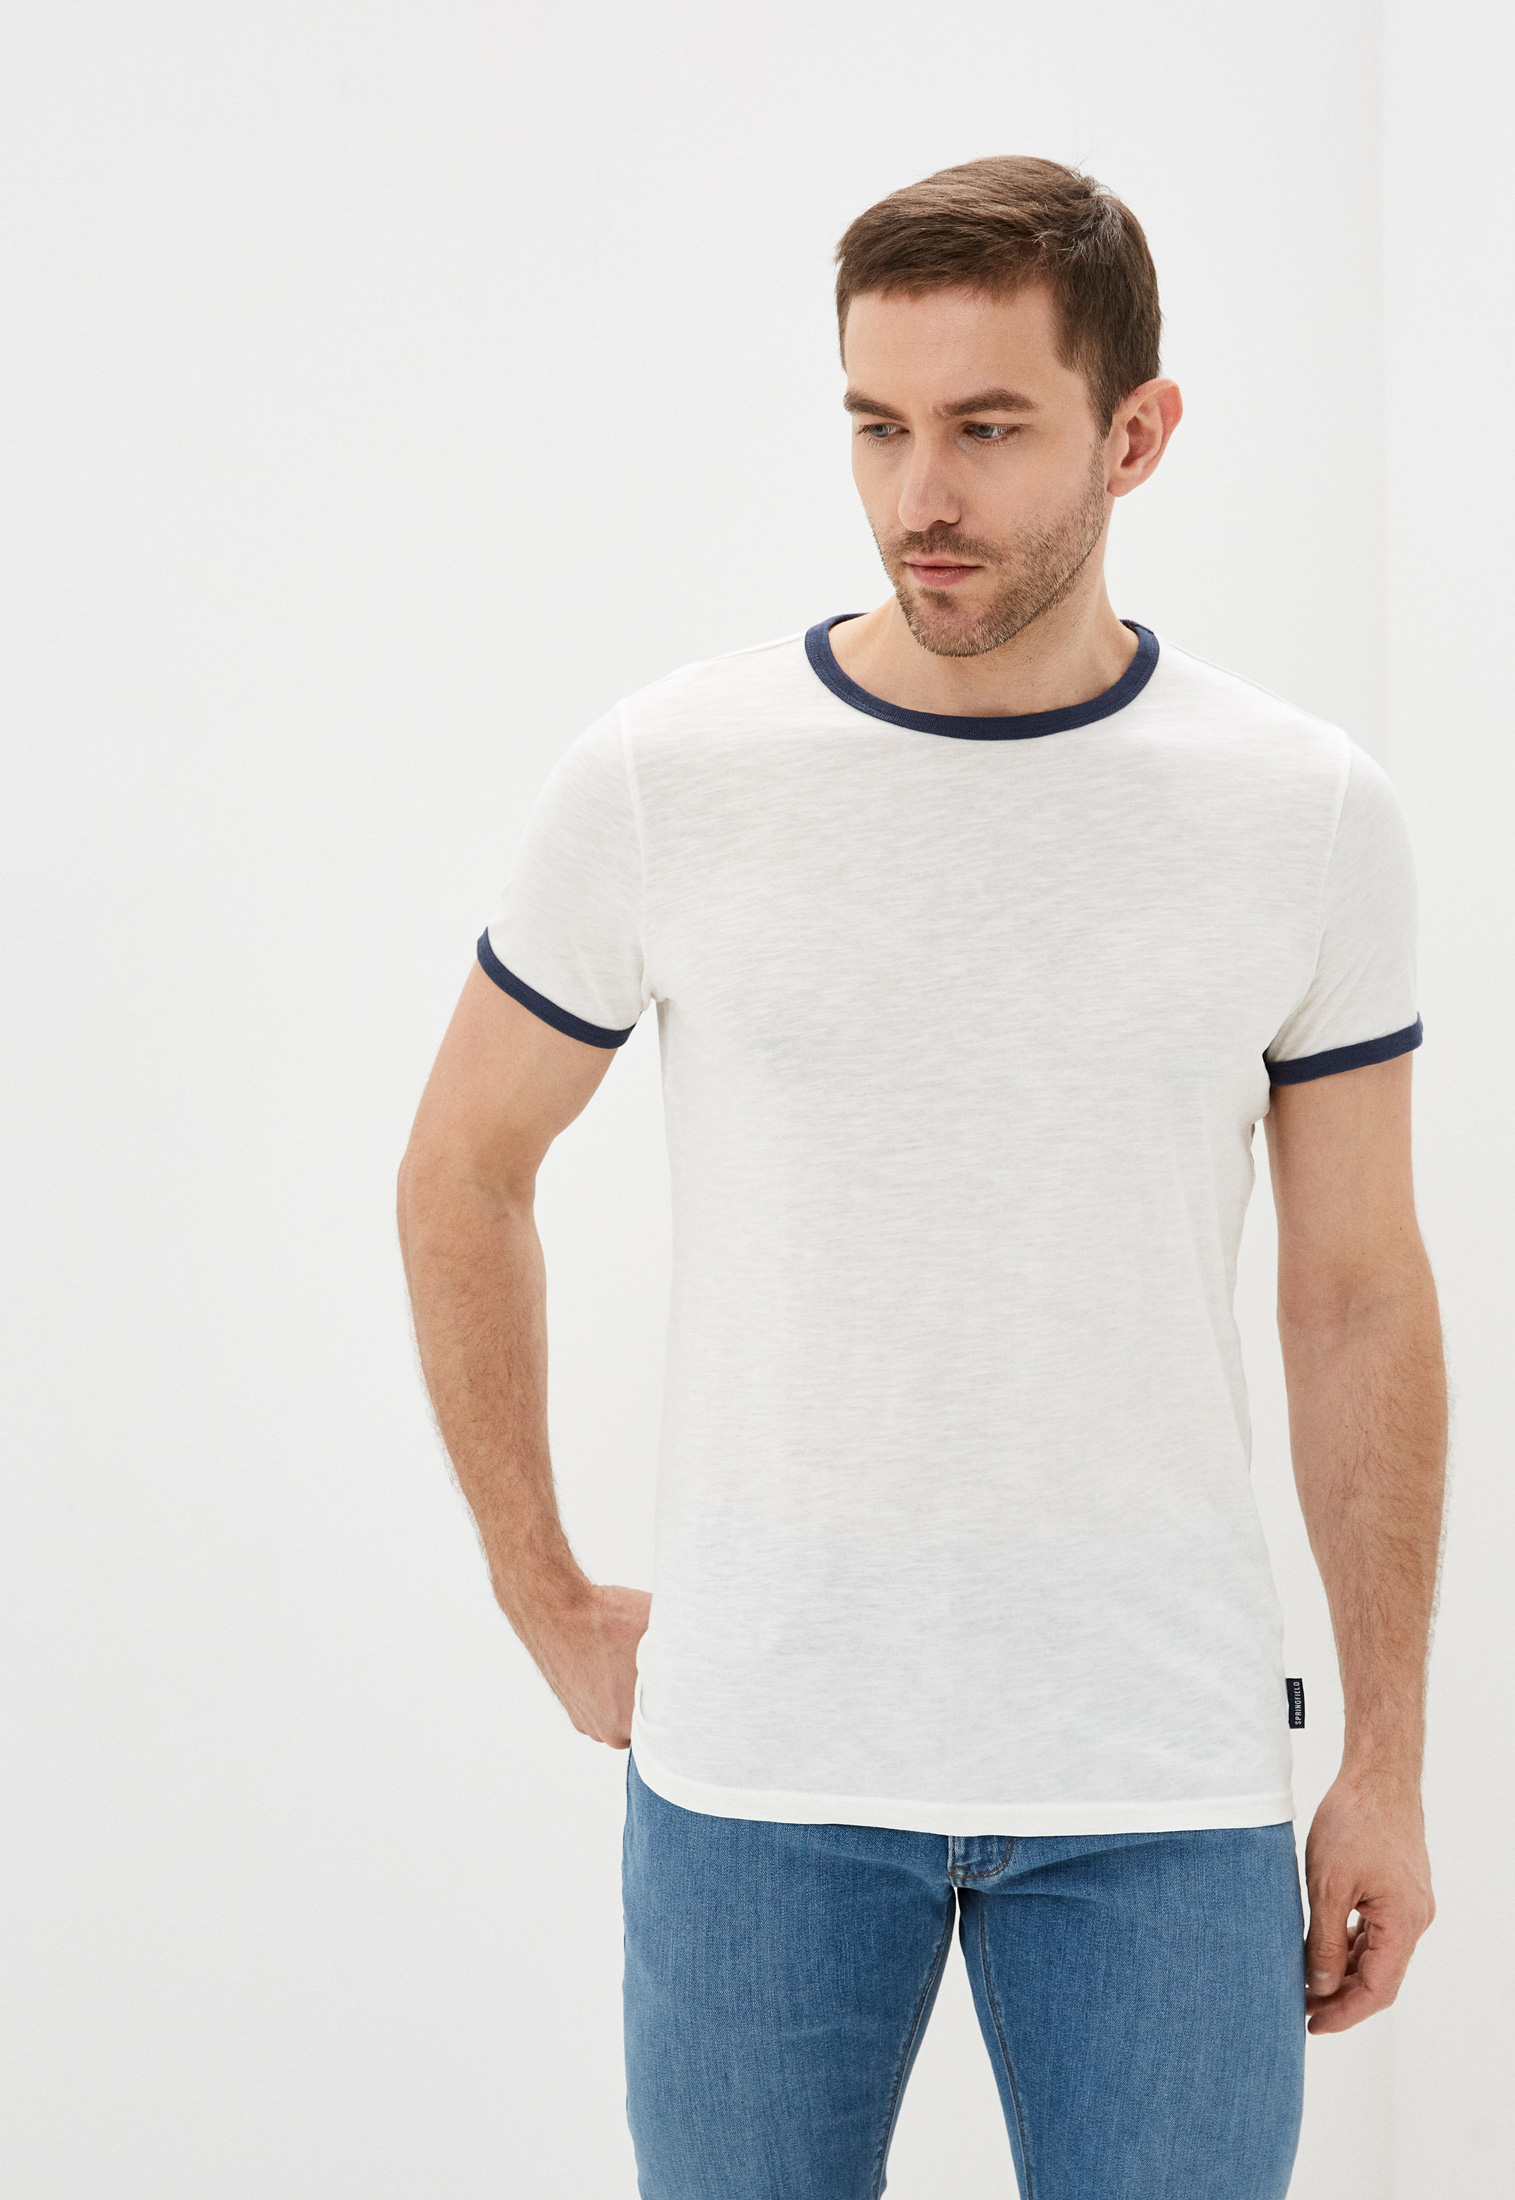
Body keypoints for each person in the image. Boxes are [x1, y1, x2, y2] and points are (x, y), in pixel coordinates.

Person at [396, 155, 1446, 2200]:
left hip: (1160, 1778)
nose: (919, 495)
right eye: (877, 426)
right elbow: (462, 1167)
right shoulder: (673, 774)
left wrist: (1388, 1761)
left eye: (987, 427)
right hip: (760, 1771)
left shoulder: (1302, 812)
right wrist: (542, 1588)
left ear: (1136, 432)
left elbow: (1359, 1293)